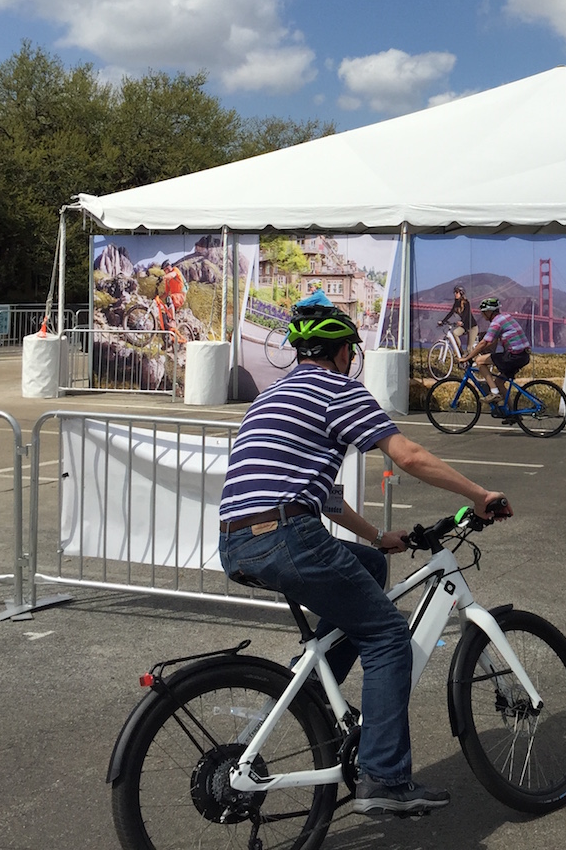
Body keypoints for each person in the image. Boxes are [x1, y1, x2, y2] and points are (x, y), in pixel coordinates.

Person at [218, 298, 512, 816]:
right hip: (288, 535)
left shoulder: (271, 397)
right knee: (387, 635)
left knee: (371, 569)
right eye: (352, 348)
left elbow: (324, 496)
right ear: (343, 351)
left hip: (239, 541)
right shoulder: (338, 390)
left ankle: (312, 691)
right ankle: (384, 778)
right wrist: (477, 494)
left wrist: (377, 538)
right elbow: (408, 455)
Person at [464, 296, 534, 406]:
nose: (482, 315)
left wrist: (467, 358)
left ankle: (494, 393)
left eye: (483, 312)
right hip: (523, 355)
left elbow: (484, 343)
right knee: (499, 383)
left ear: (489, 312)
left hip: (513, 356)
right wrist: (481, 349)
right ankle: (514, 414)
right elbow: (492, 341)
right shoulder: (506, 317)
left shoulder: (496, 322)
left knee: (479, 361)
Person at [437, 284, 477, 353]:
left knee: (469, 349)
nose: (455, 294)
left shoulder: (466, 303)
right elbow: (450, 313)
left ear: (461, 293)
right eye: (455, 292)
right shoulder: (456, 303)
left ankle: (472, 362)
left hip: (472, 326)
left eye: (457, 292)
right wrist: (443, 321)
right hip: (464, 326)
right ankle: (460, 352)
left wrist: (462, 321)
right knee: (454, 333)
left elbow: (466, 314)